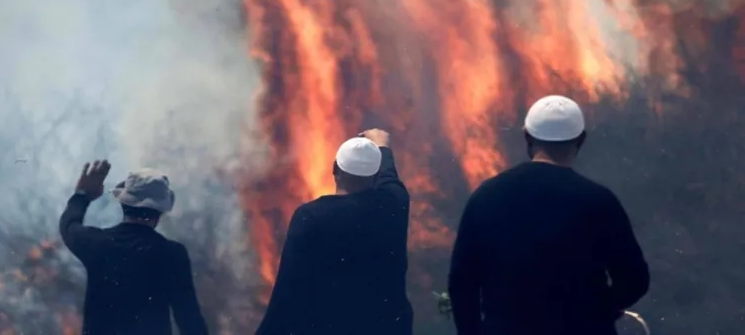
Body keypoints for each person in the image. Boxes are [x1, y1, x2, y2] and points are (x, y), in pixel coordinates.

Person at [447, 95, 650, 335]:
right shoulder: (598, 200)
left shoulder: (485, 196)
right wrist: (598, 308)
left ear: (527, 136)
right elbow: (635, 280)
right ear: (580, 139)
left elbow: (462, 283)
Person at [256, 129, 413, 335]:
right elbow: (389, 176)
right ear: (375, 176)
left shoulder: (311, 217)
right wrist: (382, 146)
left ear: (334, 169)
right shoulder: (395, 204)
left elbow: (287, 290)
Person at [59, 160, 209, 335]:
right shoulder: (171, 254)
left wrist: (82, 195)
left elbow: (68, 226)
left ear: (124, 204)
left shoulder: (97, 243)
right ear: (159, 211)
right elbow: (189, 318)